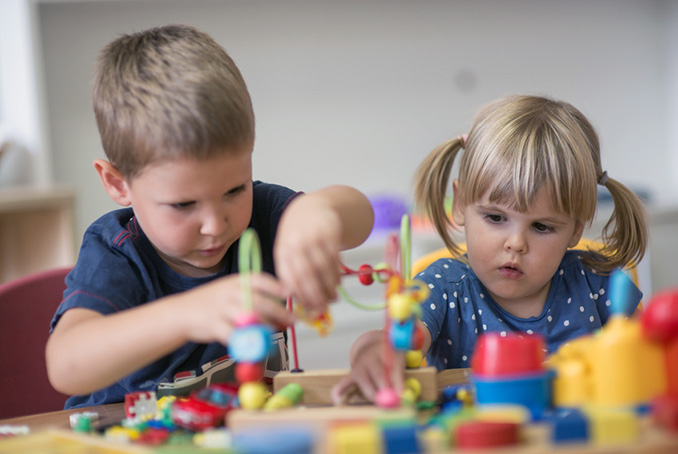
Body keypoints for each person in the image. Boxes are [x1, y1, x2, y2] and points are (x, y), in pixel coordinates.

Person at [45, 24, 374, 409]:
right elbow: (65, 365)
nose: (216, 225)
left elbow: (360, 216)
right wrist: (183, 315)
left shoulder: (265, 216)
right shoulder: (116, 252)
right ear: (119, 184)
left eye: (235, 190)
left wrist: (318, 213)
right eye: (184, 205)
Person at [332, 94, 648, 403]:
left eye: (542, 227)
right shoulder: (442, 286)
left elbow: (647, 358)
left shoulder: (598, 285)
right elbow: (402, 339)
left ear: (576, 229)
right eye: (496, 218)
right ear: (459, 204)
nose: (516, 244)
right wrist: (372, 349)